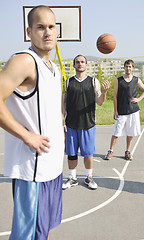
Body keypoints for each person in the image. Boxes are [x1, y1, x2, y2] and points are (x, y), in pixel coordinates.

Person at [0, 5, 64, 240]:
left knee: (44, 231)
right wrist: (26, 135)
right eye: (40, 27)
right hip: (33, 171)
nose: (47, 32)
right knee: (26, 236)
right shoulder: (25, 61)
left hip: (52, 168)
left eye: (51, 27)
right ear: (29, 31)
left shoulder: (53, 67)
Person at [62, 55, 111, 190]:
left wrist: (105, 92)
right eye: (77, 62)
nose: (80, 64)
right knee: (71, 154)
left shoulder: (94, 82)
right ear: (74, 65)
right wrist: (62, 120)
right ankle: (72, 178)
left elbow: (100, 102)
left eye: (82, 62)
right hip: (71, 123)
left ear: (86, 65)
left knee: (88, 153)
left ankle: (89, 177)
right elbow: (63, 102)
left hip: (88, 123)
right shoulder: (68, 82)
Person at [104, 59, 144, 161]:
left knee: (130, 132)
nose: (128, 68)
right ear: (124, 68)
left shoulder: (136, 79)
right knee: (116, 132)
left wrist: (138, 99)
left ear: (132, 68)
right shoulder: (118, 80)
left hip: (133, 110)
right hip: (121, 111)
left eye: (130, 66)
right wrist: (115, 111)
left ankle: (127, 151)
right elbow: (115, 97)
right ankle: (110, 150)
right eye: (126, 66)